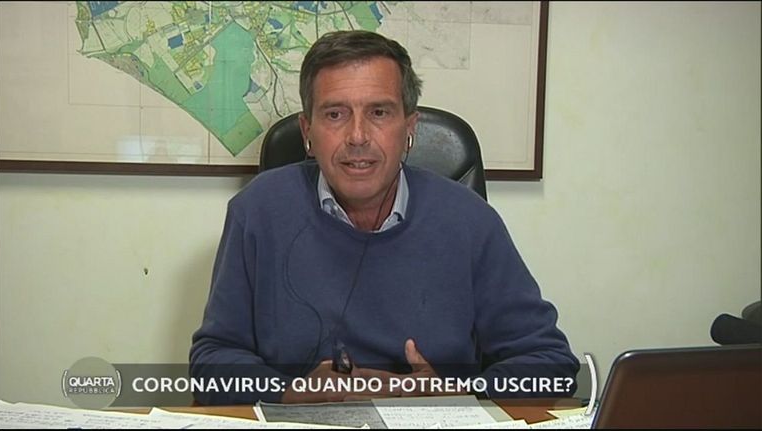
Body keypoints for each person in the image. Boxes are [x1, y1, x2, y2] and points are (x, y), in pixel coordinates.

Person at [189, 30, 579, 405]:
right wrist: (291, 393)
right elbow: (212, 362)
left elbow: (550, 365)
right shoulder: (258, 210)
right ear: (308, 132)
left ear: (409, 128)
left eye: (379, 112)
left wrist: (457, 396)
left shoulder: (470, 220)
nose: (358, 136)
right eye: (335, 114)